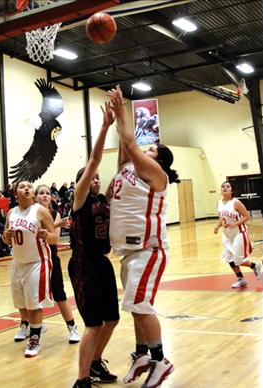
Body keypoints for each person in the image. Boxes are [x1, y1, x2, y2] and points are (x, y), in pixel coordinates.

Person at [108, 85, 177, 387]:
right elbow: (126, 147)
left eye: (153, 150)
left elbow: (132, 144)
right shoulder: (127, 168)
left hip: (148, 250)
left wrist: (123, 111)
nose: (147, 149)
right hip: (127, 252)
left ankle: (161, 361)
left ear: (160, 161)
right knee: (135, 307)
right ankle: (141, 354)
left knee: (140, 305)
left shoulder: (156, 175)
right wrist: (114, 116)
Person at [68, 102, 120, 388]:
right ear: (83, 182)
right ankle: (82, 379)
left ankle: (96, 363)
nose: (96, 179)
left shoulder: (104, 199)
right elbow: (95, 159)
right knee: (93, 323)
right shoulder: (80, 198)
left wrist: (125, 129)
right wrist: (105, 127)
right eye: (91, 177)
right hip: (83, 262)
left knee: (112, 319)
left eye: (98, 177)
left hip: (101, 261)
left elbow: (122, 168)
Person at [1, 180, 57, 358]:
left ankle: (35, 339)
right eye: (22, 187)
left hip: (37, 262)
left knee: (34, 304)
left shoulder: (39, 210)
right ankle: (35, 327)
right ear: (15, 193)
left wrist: (47, 235)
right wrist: (5, 236)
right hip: (18, 263)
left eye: (29, 187)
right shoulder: (11, 212)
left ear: (32, 193)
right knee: (21, 304)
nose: (26, 188)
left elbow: (55, 237)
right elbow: (5, 239)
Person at [34, 184, 81, 344]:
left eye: (47, 193)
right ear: (36, 197)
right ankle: (33, 326)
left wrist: (56, 225)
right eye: (41, 193)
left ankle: (72, 327)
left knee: (59, 294)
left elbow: (54, 237)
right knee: (33, 296)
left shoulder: (55, 214)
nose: (45, 195)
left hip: (51, 258)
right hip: (34, 259)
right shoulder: (29, 214)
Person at [214, 181, 262, 288]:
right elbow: (221, 219)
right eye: (223, 186)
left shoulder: (236, 202)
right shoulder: (219, 203)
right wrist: (217, 226)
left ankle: (255, 266)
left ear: (232, 190)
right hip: (227, 235)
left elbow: (246, 216)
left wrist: (235, 223)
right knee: (229, 259)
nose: (225, 188)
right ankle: (241, 279)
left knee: (238, 260)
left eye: (227, 186)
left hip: (239, 233)